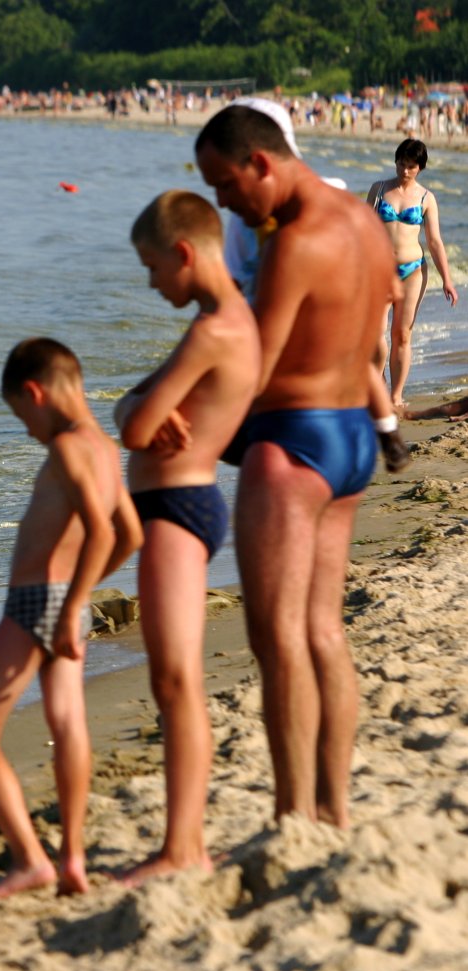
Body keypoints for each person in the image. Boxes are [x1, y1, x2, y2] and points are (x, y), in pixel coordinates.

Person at [196, 106, 403, 827]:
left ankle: (291, 817)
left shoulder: (293, 243)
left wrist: (173, 425)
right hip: (351, 440)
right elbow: (376, 338)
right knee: (323, 632)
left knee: (275, 638)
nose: (222, 202)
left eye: (223, 185)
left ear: (260, 163)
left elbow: (253, 367)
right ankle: (333, 811)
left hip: (291, 443)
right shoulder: (364, 222)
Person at [0, 338, 142, 896]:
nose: (27, 429)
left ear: (34, 393)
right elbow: (129, 533)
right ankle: (73, 860)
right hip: (69, 605)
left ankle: (30, 858)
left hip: (40, 603)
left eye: (21, 416)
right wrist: (81, 597)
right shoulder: (107, 449)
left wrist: (65, 602)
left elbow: (105, 531)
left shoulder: (65, 448)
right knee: (67, 722)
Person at [114, 191, 259, 882]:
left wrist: (140, 409)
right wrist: (138, 405)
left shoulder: (212, 331)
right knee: (173, 679)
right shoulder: (219, 318)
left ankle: (183, 848)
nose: (150, 283)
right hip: (177, 500)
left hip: (180, 502)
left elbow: (136, 428)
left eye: (151, 267)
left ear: (182, 253)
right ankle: (183, 843)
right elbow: (131, 406)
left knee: (176, 681)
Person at [223, 97, 412, 474]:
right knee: (361, 364)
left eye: (224, 182)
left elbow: (241, 303)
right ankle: (387, 432)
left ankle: (388, 430)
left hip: (299, 416)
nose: (221, 197)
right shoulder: (315, 198)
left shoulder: (275, 223)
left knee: (362, 362)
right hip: (338, 414)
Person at [366, 139, 459, 409]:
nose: (404, 171)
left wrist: (447, 280)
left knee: (402, 334)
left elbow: (435, 242)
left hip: (412, 271)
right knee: (375, 334)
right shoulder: (379, 189)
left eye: (410, 166)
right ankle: (378, 383)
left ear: (420, 168)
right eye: (401, 164)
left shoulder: (426, 198)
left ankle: (396, 396)